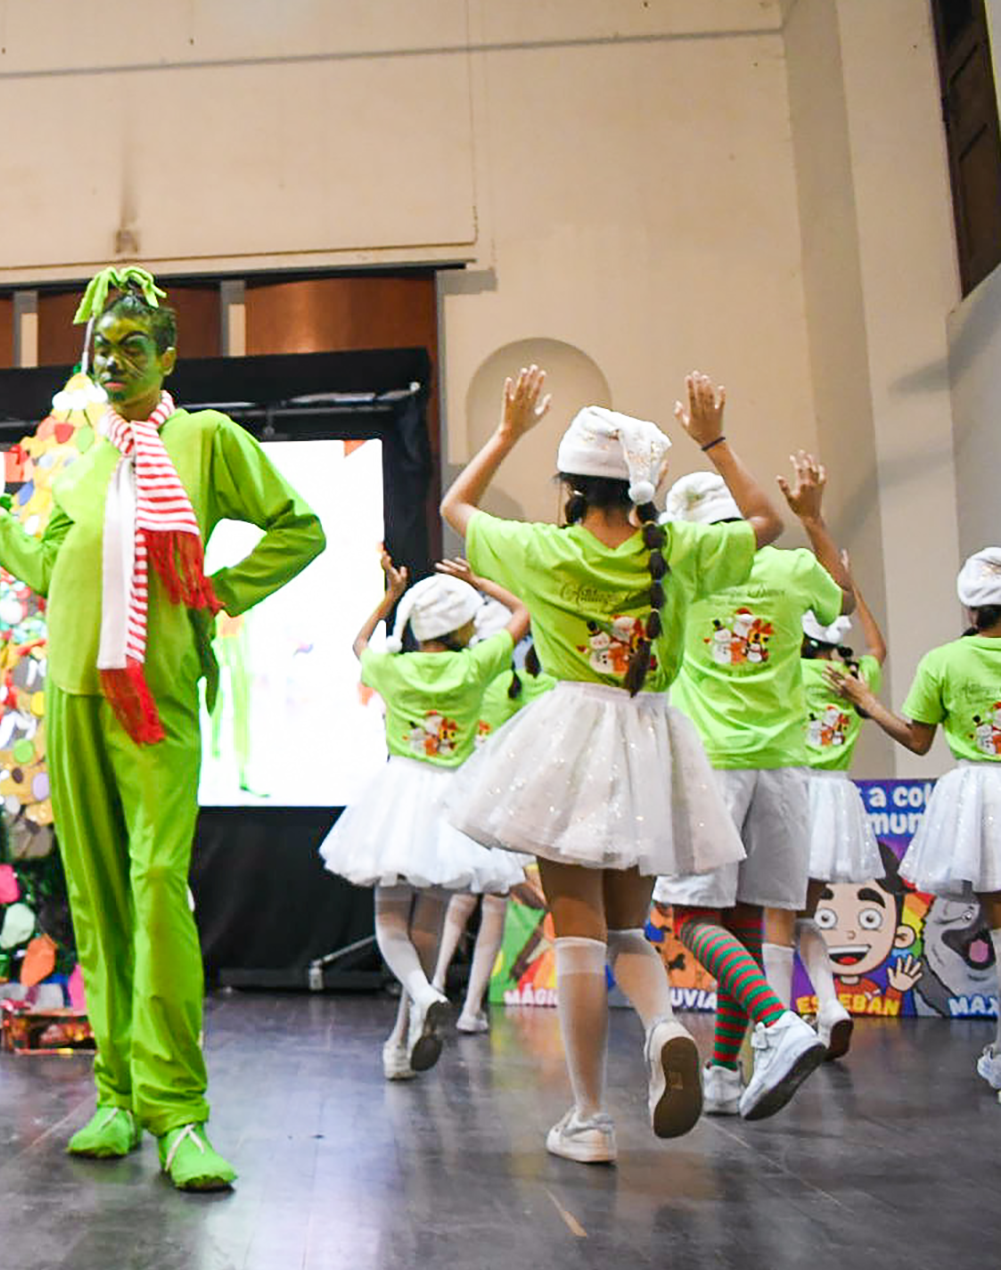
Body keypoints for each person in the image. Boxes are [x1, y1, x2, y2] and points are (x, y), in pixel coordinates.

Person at [0, 267, 325, 1191]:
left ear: (169, 354)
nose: (113, 358)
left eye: (134, 345)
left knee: (157, 881)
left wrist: (218, 594)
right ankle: (120, 1097)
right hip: (72, 695)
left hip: (155, 697)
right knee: (95, 899)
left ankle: (179, 1109)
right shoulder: (84, 456)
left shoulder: (204, 440)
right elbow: (53, 564)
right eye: (102, 344)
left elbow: (300, 528)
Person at [442, 368, 781, 1164]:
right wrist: (717, 441)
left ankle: (589, 1118)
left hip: (570, 742)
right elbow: (768, 521)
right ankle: (664, 1026)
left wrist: (505, 431)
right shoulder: (682, 548)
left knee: (579, 940)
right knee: (630, 926)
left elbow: (454, 508)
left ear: (567, 487)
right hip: (652, 744)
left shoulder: (545, 551)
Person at [651, 456, 848, 1119]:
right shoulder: (790, 569)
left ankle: (779, 1023)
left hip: (711, 765)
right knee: (743, 918)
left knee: (690, 917)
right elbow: (843, 602)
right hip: (788, 767)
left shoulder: (680, 574)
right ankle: (726, 1071)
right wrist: (814, 519)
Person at [320, 554, 526, 1080]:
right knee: (428, 919)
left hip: (399, 797)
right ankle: (410, 1027)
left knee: (390, 918)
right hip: (454, 801)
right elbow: (523, 612)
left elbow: (357, 644)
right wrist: (479, 579)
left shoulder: (394, 666)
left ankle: (419, 998)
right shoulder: (474, 664)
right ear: (460, 624)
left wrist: (390, 599)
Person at [831, 546, 1001, 1094]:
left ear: (971, 611)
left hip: (981, 799)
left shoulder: (944, 662)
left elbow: (917, 741)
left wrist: (866, 699)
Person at [434, 605, 549, 1035]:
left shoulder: (470, 679)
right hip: (510, 807)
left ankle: (436, 985)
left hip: (466, 802)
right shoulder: (536, 684)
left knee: (457, 902)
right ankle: (471, 1009)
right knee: (495, 906)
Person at [792, 563, 889, 1056]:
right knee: (806, 914)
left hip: (791, 796)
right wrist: (854, 588)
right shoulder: (855, 676)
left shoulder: (790, 673)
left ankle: (784, 1025)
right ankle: (829, 1005)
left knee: (771, 916)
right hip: (835, 797)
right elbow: (878, 650)